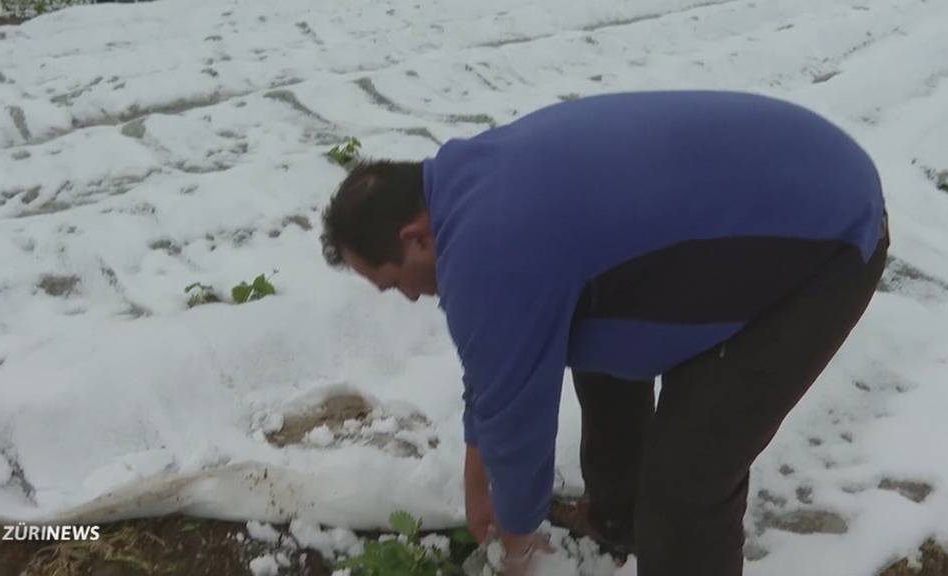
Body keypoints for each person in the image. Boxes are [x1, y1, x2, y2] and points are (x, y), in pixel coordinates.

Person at [320, 91, 888, 576]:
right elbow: (497, 368)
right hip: (776, 187)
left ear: (416, 237)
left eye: (396, 284)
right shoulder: (468, 188)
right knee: (587, 332)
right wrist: (478, 477)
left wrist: (516, 546)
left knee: (686, 481)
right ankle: (618, 517)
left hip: (825, 240)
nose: (412, 297)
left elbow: (518, 419)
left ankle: (659, 530)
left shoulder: (490, 248)